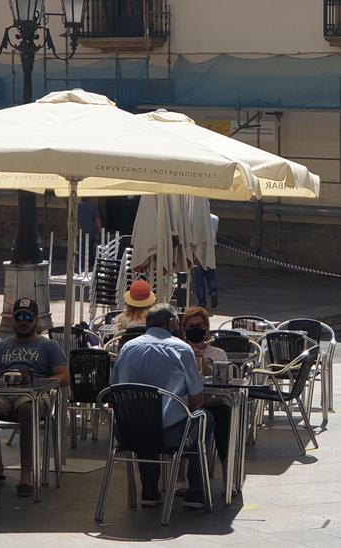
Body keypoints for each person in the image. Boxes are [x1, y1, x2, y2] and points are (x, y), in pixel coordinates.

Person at [110, 303, 214, 509]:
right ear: (172, 323)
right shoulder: (182, 349)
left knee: (144, 420)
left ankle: (149, 489)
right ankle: (195, 492)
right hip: (170, 435)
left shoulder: (127, 347)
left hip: (127, 433)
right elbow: (196, 400)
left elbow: (114, 388)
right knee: (204, 418)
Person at [0, 298, 69, 498]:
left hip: (35, 396)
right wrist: (2, 382)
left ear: (36, 320)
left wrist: (35, 381)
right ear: (13, 320)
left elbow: (64, 377)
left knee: (27, 410)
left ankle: (26, 474)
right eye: (19, 317)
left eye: (28, 317)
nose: (24, 321)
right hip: (4, 395)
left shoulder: (48, 346)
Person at [179, 306, 233, 485]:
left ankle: (227, 477)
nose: (195, 330)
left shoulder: (218, 353)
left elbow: (222, 383)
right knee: (184, 417)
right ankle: (180, 477)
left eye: (199, 326)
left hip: (212, 401)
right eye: (191, 326)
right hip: (186, 402)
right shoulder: (178, 351)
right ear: (184, 329)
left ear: (206, 328)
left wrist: (202, 361)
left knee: (223, 414)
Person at [192, 213, 219, 309]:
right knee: (210, 274)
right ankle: (213, 292)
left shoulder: (197, 219)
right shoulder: (215, 218)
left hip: (200, 250)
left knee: (199, 278)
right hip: (211, 249)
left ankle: (202, 301)